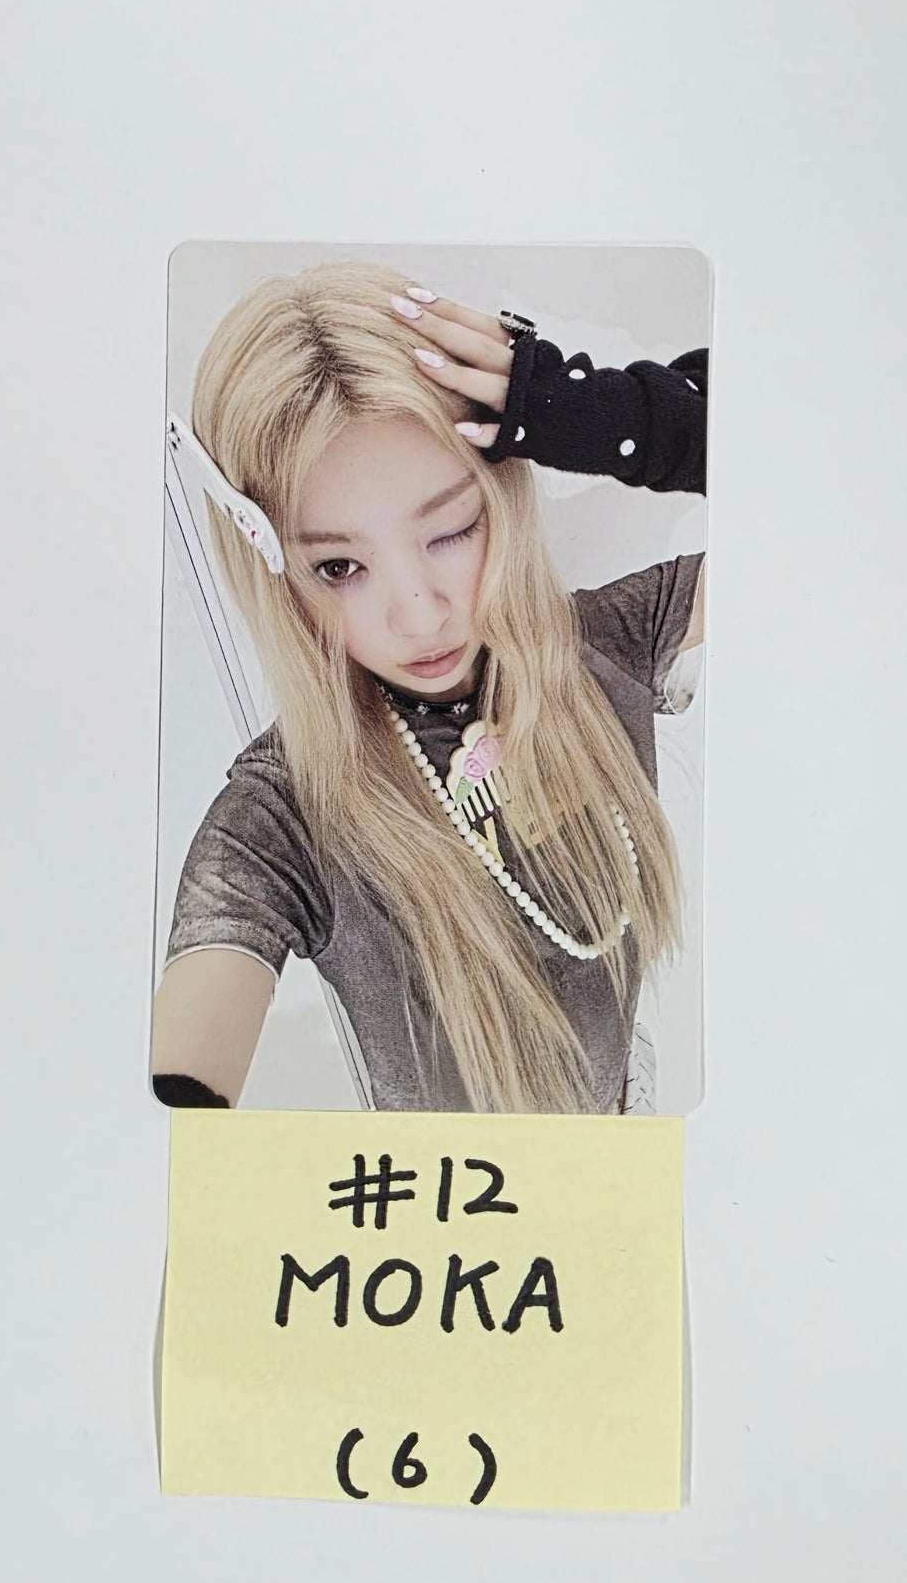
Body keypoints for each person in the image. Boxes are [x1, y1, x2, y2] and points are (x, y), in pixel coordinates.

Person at [152, 260, 707, 1116]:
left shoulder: (604, 647)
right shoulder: (285, 814)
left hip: (627, 1155)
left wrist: (607, 418)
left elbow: (829, 511)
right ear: (273, 568)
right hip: (431, 1202)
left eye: (449, 531)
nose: (418, 613)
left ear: (501, 496)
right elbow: (172, 1098)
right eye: (339, 567)